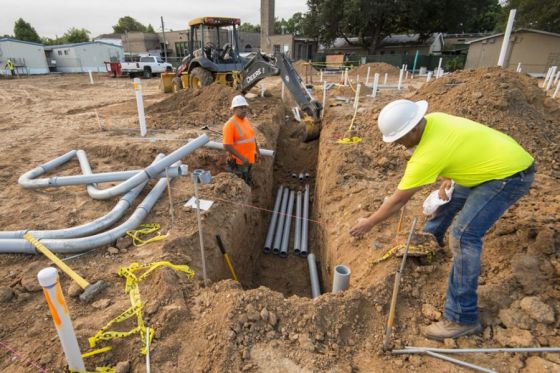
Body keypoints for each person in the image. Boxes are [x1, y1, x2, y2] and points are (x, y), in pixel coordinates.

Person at [349, 99, 535, 340]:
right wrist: (449, 176)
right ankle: (428, 245)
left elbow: (397, 201)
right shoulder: (434, 120)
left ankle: (461, 318)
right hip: (493, 163)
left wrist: (370, 222)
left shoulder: (427, 155)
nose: (395, 145)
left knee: (463, 236)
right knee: (446, 201)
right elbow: (460, 146)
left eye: (399, 138)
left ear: (414, 129)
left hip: (509, 175)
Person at [223, 95, 260, 184]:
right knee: (241, 184)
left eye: (245, 107)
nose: (244, 110)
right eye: (241, 107)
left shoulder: (246, 121)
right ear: (234, 109)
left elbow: (252, 137)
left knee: (247, 180)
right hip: (239, 163)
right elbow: (227, 145)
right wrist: (242, 158)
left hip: (248, 160)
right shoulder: (230, 125)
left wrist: (257, 150)